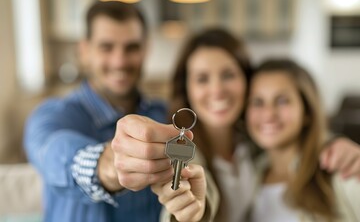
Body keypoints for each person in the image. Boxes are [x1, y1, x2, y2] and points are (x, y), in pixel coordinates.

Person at [116, 28, 360, 222]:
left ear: (246, 81)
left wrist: (330, 144)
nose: (217, 90)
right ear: (187, 89)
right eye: (202, 78)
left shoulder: (257, 149)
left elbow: (296, 140)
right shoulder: (182, 154)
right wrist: (186, 213)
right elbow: (189, 201)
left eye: (228, 75)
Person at [24, 0, 174, 222]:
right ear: (84, 51)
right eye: (106, 47)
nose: (119, 61)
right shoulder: (53, 115)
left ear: (145, 50)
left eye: (131, 47)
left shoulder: (164, 115)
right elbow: (53, 152)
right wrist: (106, 165)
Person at [246, 58, 360, 221]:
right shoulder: (250, 174)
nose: (268, 114)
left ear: (306, 110)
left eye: (282, 101)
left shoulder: (340, 168)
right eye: (258, 102)